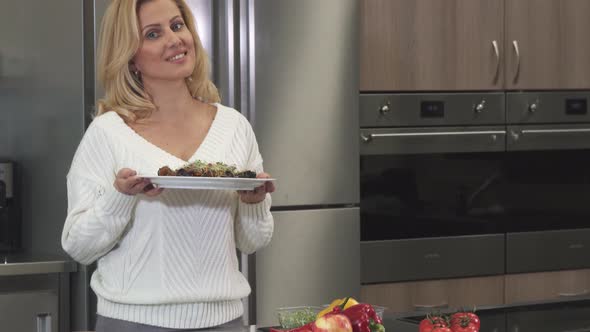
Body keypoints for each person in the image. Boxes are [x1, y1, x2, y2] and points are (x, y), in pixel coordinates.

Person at [61, 0, 275, 330]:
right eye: (153, 34)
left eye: (177, 26)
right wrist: (121, 197)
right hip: (132, 323)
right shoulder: (108, 132)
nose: (175, 40)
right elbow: (78, 246)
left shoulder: (234, 126)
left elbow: (252, 242)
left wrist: (254, 203)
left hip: (224, 321)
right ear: (130, 56)